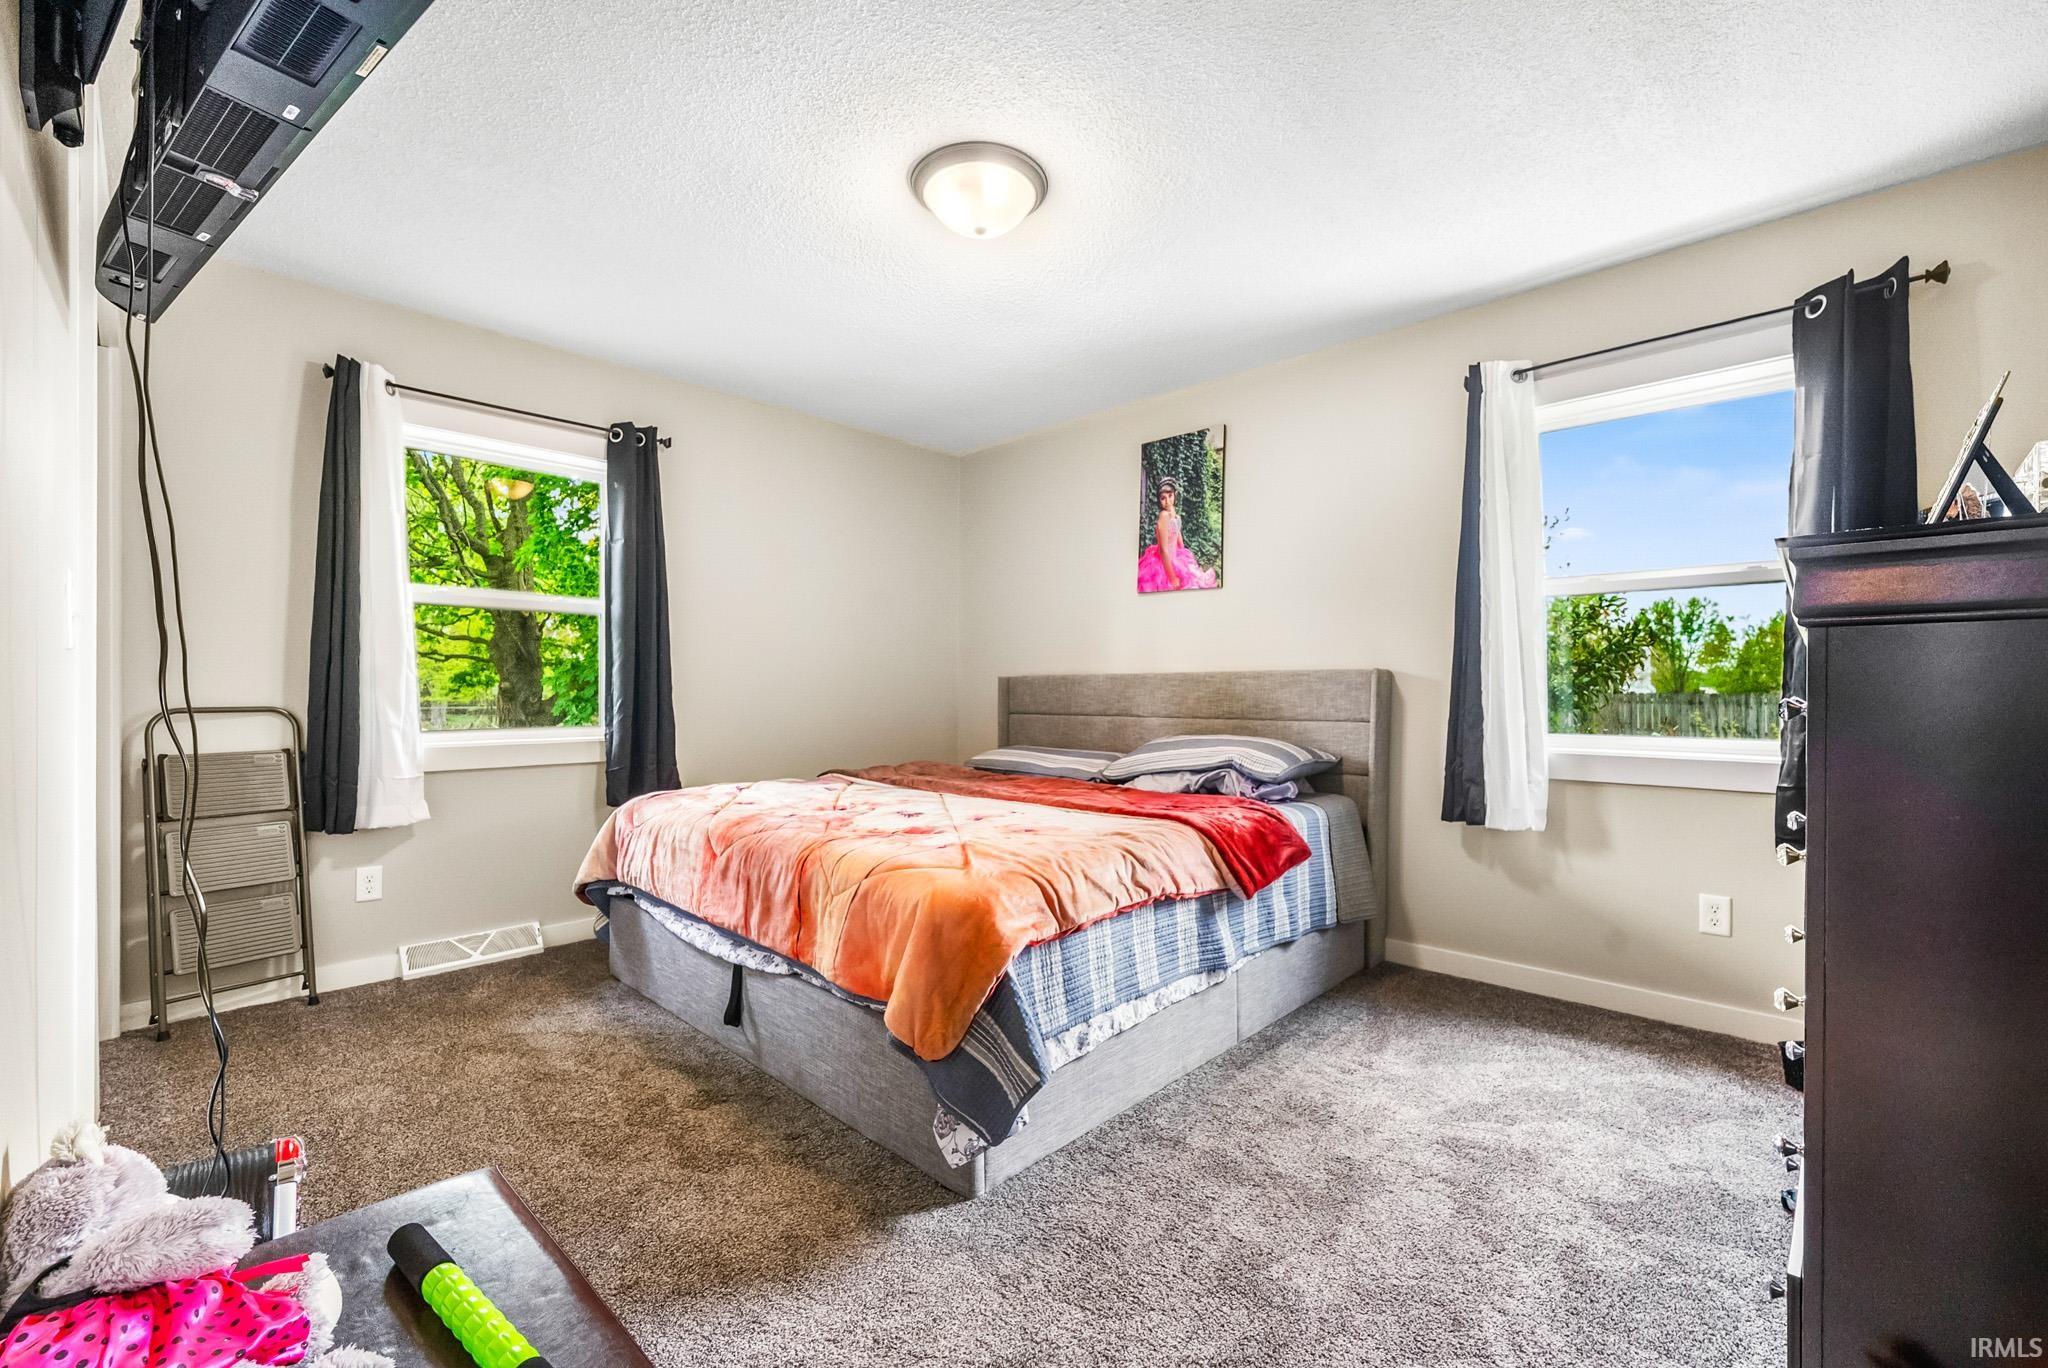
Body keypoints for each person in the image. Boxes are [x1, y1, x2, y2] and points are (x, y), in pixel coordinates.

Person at [1136, 477, 1217, 592]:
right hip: (1163, 561)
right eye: (1163, 498)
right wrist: (1172, 577)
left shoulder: (1174, 514)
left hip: (1175, 557)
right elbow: (1164, 549)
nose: (1167, 501)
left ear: (1175, 495)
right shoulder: (1164, 515)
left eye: (1170, 496)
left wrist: (1185, 560)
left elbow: (1178, 537)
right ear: (1159, 500)